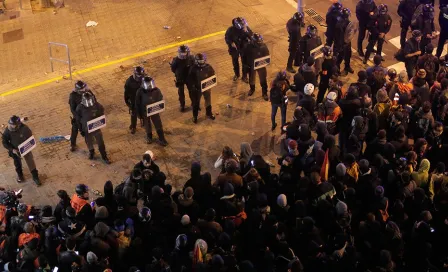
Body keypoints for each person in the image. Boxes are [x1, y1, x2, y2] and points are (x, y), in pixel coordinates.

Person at [2, 115, 41, 185]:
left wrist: (28, 144)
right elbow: (5, 143)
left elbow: (30, 135)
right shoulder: (7, 132)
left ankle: (35, 177)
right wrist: (12, 149)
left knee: (30, 162)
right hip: (15, 150)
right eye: (11, 124)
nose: (11, 126)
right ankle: (20, 175)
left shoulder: (24, 128)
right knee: (17, 164)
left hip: (25, 147)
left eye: (13, 125)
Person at [76, 92, 111, 163]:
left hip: (95, 126)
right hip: (86, 128)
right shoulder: (80, 108)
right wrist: (81, 129)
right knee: (89, 142)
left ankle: (104, 156)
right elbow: (78, 119)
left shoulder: (96, 105)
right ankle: (91, 152)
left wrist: (99, 119)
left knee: (100, 142)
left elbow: (101, 111)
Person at [135, 76, 168, 146]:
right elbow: (137, 103)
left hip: (154, 110)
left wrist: (159, 106)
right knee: (147, 124)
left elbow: (160, 98)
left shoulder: (156, 90)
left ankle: (161, 138)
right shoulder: (140, 92)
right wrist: (139, 114)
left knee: (158, 123)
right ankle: (149, 136)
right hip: (144, 111)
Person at [187, 53, 217, 123]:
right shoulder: (193, 69)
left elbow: (212, 74)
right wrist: (193, 86)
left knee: (208, 100)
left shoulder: (208, 67)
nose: (202, 62)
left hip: (206, 87)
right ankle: (195, 116)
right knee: (196, 103)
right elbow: (190, 79)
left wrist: (210, 82)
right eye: (200, 61)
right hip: (197, 89)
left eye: (202, 61)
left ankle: (209, 113)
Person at [68, 80, 95, 151]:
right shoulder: (73, 96)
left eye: (84, 89)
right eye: (81, 90)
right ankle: (72, 144)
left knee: (89, 129)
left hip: (87, 114)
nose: (84, 91)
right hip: (78, 115)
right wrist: (77, 118)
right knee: (75, 130)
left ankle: (91, 140)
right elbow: (72, 109)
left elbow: (94, 100)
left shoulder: (88, 92)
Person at [225, 17, 252, 82]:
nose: (243, 25)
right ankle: (237, 75)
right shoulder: (230, 30)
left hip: (243, 48)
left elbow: (251, 36)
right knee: (235, 62)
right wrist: (231, 43)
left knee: (244, 63)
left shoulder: (245, 28)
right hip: (234, 49)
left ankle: (244, 76)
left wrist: (247, 32)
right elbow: (227, 38)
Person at [243, 33, 270, 100]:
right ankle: (252, 89)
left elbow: (267, 55)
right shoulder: (248, 46)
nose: (260, 43)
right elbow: (244, 56)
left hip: (260, 65)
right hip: (251, 65)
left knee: (263, 80)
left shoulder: (263, 46)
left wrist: (265, 62)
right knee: (252, 79)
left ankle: (264, 93)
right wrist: (245, 64)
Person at [170, 45, 195, 112]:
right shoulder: (176, 60)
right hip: (180, 78)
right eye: (182, 53)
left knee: (192, 91)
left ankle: (194, 103)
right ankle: (182, 105)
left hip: (189, 78)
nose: (183, 55)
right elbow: (173, 68)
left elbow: (194, 66)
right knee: (181, 93)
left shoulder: (191, 58)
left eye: (184, 53)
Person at [124, 66, 145, 134]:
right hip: (134, 101)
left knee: (143, 112)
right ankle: (133, 126)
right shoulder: (129, 82)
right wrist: (127, 102)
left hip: (142, 100)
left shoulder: (144, 79)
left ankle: (144, 122)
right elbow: (126, 93)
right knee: (134, 114)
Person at [334, 8, 355, 76]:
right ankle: (337, 70)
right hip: (341, 44)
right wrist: (340, 46)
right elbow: (338, 37)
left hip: (347, 42)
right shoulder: (339, 24)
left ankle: (347, 67)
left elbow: (350, 31)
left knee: (348, 55)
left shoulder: (347, 22)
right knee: (339, 58)